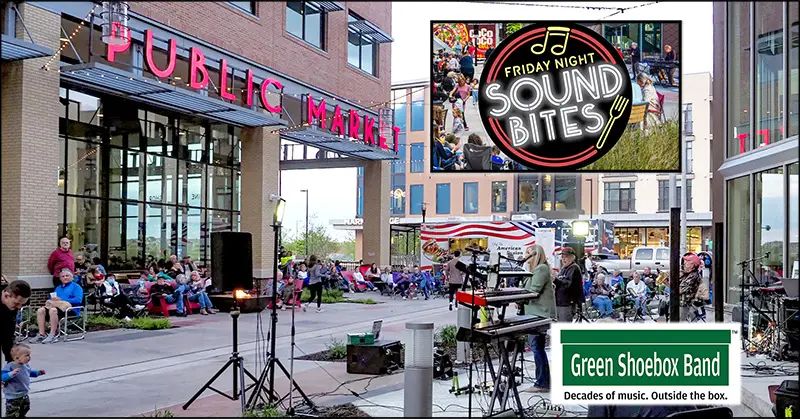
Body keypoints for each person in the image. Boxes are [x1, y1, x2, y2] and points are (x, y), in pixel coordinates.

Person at [520, 244, 556, 393]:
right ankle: (543, 381)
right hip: (534, 312)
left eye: (529, 254)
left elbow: (534, 290)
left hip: (539, 313)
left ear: (536, 254)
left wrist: (519, 296)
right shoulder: (535, 270)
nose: (526, 257)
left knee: (536, 347)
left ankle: (542, 383)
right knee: (537, 347)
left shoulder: (541, 268)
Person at [29, 268, 84, 344]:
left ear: (72, 277)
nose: (65, 277)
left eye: (67, 276)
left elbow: (78, 300)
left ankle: (53, 334)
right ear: (60, 278)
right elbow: (53, 299)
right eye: (63, 276)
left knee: (53, 310)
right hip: (57, 308)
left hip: (71, 309)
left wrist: (62, 299)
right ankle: (42, 334)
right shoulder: (58, 288)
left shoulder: (76, 287)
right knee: (41, 310)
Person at [2, 343, 45, 418]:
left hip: (24, 393)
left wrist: (37, 373)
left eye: (29, 355)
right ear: (17, 358)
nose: (29, 357)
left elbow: (28, 372)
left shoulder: (25, 365)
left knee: (25, 408)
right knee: (12, 412)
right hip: (13, 396)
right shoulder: (10, 366)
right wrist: (11, 374)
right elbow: (2, 377)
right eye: (27, 355)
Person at [1, 281, 32, 363]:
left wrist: (14, 362)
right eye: (17, 303)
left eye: (22, 304)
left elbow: (8, 335)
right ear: (6, 295)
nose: (19, 307)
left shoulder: (12, 307)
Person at [554, 247, 583, 322]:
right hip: (560, 303)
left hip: (567, 304)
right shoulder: (564, 269)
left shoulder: (574, 268)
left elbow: (568, 285)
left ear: (572, 257)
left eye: (566, 257)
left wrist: (555, 280)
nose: (563, 259)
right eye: (562, 257)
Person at [679, 253, 703, 322]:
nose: (684, 263)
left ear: (692, 265)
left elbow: (680, 290)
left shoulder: (693, 276)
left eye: (687, 262)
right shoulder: (686, 273)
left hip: (686, 304)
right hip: (682, 303)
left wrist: (666, 283)